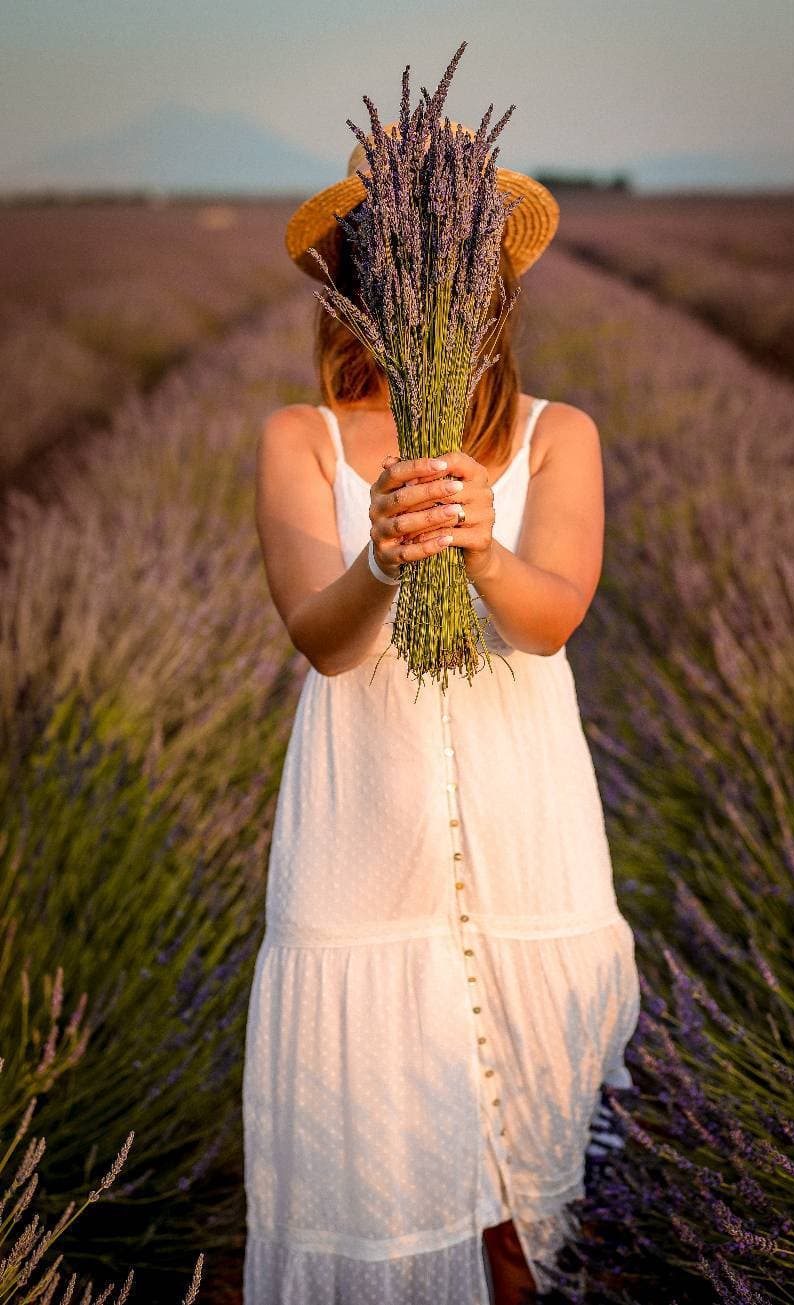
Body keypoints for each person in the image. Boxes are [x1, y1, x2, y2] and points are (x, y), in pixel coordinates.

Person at [242, 121, 641, 1305]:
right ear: (363, 280)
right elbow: (322, 640)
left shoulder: (557, 434)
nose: (432, 277)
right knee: (389, 1170)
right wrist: (380, 554)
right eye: (401, 254)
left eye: (457, 256)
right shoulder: (297, 439)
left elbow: (552, 616)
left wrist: (473, 544)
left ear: (490, 276)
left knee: (529, 1221)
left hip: (529, 841)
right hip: (366, 852)